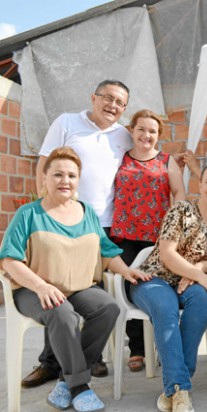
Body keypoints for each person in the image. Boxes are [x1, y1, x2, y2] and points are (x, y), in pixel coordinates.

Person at [0, 147, 149, 412]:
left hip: (78, 287)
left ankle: (65, 381)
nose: (65, 181)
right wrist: (41, 286)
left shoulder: (87, 213)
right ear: (44, 178)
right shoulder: (28, 214)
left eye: (71, 175)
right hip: (32, 289)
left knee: (108, 308)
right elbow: (9, 260)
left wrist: (126, 271)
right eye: (57, 174)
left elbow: (105, 250)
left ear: (78, 180)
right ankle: (79, 386)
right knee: (62, 312)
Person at [26, 79, 133, 386]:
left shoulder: (123, 135)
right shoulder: (67, 122)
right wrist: (45, 208)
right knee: (56, 287)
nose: (113, 105)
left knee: (92, 291)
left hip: (103, 223)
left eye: (120, 103)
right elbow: (44, 164)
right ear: (93, 97)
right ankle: (50, 363)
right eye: (108, 98)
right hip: (62, 218)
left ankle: (90, 356)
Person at [129, 162, 207, 412]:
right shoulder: (181, 210)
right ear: (199, 184)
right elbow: (167, 254)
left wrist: (199, 270)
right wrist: (198, 274)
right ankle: (179, 389)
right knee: (166, 309)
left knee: (203, 300)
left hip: (191, 280)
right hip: (153, 278)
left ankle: (175, 387)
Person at [111, 109, 186, 372]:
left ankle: (162, 345)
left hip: (158, 239)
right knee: (130, 289)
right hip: (125, 235)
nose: (146, 135)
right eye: (141, 129)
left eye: (152, 131)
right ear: (131, 131)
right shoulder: (119, 158)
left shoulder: (167, 161)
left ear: (159, 135)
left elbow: (179, 192)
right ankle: (137, 349)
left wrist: (175, 227)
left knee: (159, 291)